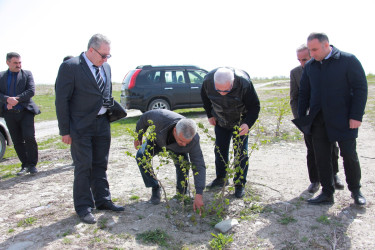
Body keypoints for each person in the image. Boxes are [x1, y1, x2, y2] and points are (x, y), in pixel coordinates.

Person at [55, 34, 124, 224]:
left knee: (101, 163)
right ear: (91, 50)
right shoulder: (71, 67)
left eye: (108, 56)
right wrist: (65, 130)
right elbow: (62, 100)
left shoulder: (106, 67)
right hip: (80, 126)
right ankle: (84, 206)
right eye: (103, 55)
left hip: (102, 123)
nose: (106, 59)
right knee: (84, 165)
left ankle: (103, 200)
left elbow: (105, 91)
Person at [298, 32, 368, 206]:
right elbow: (304, 93)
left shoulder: (348, 60)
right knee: (321, 157)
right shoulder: (311, 66)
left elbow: (361, 88)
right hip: (318, 120)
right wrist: (302, 118)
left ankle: (356, 191)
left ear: (326, 45)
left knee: (349, 155)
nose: (311, 54)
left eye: (314, 49)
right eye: (310, 50)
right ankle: (327, 193)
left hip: (344, 119)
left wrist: (356, 115)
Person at [290, 45, 344, 193]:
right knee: (311, 150)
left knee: (332, 147)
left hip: (327, 117)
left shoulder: (323, 68)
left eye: (305, 59)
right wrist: (300, 119)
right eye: (299, 60)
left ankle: (334, 175)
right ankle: (315, 180)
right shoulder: (295, 73)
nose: (302, 63)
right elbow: (294, 97)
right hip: (308, 119)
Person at [201, 67, 260, 198]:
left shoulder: (244, 83)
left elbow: (255, 106)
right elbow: (204, 98)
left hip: (240, 121)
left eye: (226, 90)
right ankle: (221, 178)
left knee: (241, 152)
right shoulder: (207, 81)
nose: (222, 93)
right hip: (220, 120)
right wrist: (209, 114)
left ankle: (239, 184)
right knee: (220, 150)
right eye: (219, 90)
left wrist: (247, 123)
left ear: (233, 82)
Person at [134, 109, 205, 213]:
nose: (185, 144)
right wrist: (138, 136)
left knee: (183, 164)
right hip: (157, 140)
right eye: (181, 140)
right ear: (175, 130)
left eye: (187, 142)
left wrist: (199, 193)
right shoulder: (160, 117)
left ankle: (182, 191)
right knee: (141, 156)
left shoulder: (193, 140)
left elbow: (199, 164)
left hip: (177, 148)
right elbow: (144, 118)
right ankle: (155, 187)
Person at [0, 52, 40, 176]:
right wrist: (7, 99)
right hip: (9, 113)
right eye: (15, 63)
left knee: (29, 137)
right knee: (17, 140)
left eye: (20, 62)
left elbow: (31, 91)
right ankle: (25, 164)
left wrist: (16, 99)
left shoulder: (27, 74)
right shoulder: (1, 76)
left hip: (25, 111)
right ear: (8, 62)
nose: (18, 65)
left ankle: (33, 165)